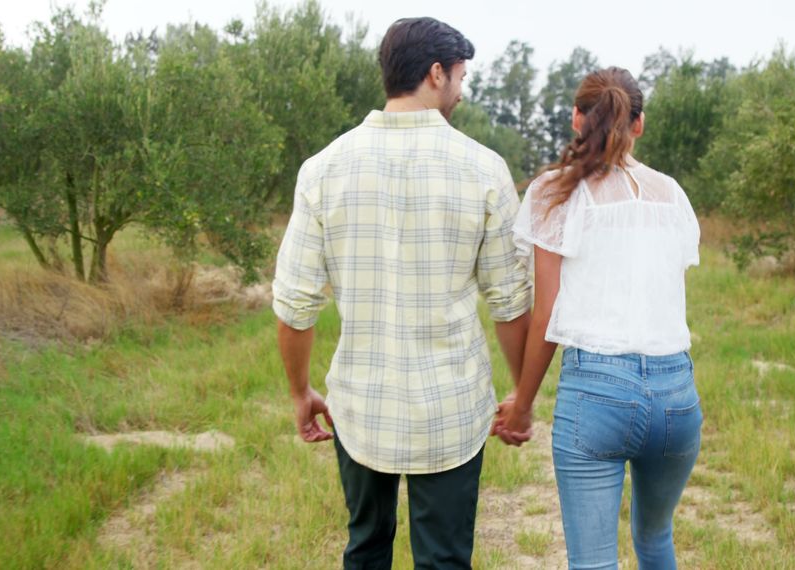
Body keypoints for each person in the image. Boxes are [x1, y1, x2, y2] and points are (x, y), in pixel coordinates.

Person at [272, 17, 532, 570]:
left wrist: (300, 392)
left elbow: (295, 305)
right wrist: (519, 394)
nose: (461, 90)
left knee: (365, 548)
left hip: (360, 404)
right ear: (435, 73)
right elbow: (509, 303)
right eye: (460, 76)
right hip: (452, 406)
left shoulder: (322, 170)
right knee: (443, 560)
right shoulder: (485, 170)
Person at [495, 67, 703, 569]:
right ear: (639, 125)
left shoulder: (555, 193)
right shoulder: (671, 194)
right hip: (676, 393)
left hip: (598, 393)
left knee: (592, 564)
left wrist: (522, 405)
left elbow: (546, 311)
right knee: (655, 539)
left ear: (576, 119)